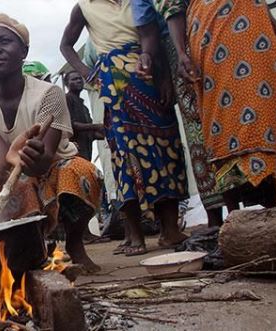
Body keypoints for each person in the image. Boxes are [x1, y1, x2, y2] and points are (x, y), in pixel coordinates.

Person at [0, 13, 102, 271]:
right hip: (9, 170)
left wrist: (35, 157)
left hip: (52, 168)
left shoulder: (49, 94)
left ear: (24, 50)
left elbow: (44, 158)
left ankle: (75, 243)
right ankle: (31, 252)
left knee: (79, 171)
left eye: (4, 41)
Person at [60, 0, 189, 256]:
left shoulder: (139, 1)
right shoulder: (84, 7)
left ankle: (170, 230)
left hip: (148, 70)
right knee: (125, 155)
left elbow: (152, 34)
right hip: (114, 80)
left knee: (166, 148)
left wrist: (163, 75)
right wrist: (87, 72)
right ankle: (136, 234)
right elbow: (65, 45)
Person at [162, 0, 276, 212]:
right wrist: (181, 53)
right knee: (223, 122)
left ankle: (273, 212)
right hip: (213, 34)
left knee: (268, 114)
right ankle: (234, 218)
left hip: (258, 33)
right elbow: (173, 8)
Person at [130, 0, 224, 227]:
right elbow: (149, 32)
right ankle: (218, 218)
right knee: (200, 129)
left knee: (207, 127)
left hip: (208, 35)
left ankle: (223, 219)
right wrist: (152, 61)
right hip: (190, 42)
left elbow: (149, 31)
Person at [63, 70, 102, 162]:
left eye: (80, 78)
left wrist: (107, 132)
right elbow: (70, 125)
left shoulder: (84, 108)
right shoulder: (67, 99)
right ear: (67, 84)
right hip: (74, 157)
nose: (79, 81)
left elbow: (90, 133)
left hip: (86, 156)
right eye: (74, 79)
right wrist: (97, 126)